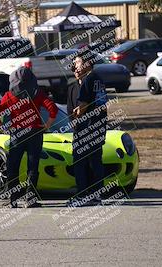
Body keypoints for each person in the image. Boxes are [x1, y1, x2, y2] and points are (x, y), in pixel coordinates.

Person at [0, 67, 58, 208]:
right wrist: (47, 125)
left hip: (17, 134)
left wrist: (2, 128)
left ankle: (13, 200)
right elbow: (53, 108)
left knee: (12, 167)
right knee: (33, 167)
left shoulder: (9, 96)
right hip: (35, 133)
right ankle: (31, 198)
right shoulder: (38, 93)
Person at [67, 49, 108, 207]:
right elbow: (103, 104)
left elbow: (82, 105)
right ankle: (97, 195)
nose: (75, 66)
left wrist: (79, 113)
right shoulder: (99, 79)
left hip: (87, 128)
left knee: (80, 162)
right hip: (98, 126)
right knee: (95, 161)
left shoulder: (88, 79)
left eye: (78, 62)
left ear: (88, 63)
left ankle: (82, 195)